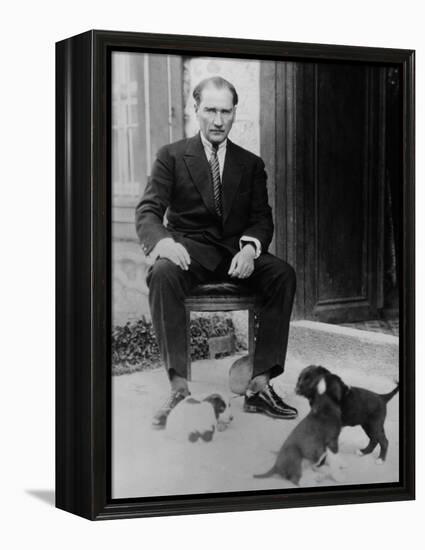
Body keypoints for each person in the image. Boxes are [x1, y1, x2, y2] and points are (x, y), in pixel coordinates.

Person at [136, 76, 297, 428]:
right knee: (162, 272)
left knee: (282, 274)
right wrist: (164, 242)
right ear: (196, 110)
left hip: (235, 256)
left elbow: (261, 219)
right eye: (210, 110)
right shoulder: (172, 156)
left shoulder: (251, 164)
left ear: (234, 112)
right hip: (188, 254)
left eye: (226, 111)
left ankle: (258, 385)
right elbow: (148, 211)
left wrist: (251, 248)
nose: (218, 120)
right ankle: (179, 387)